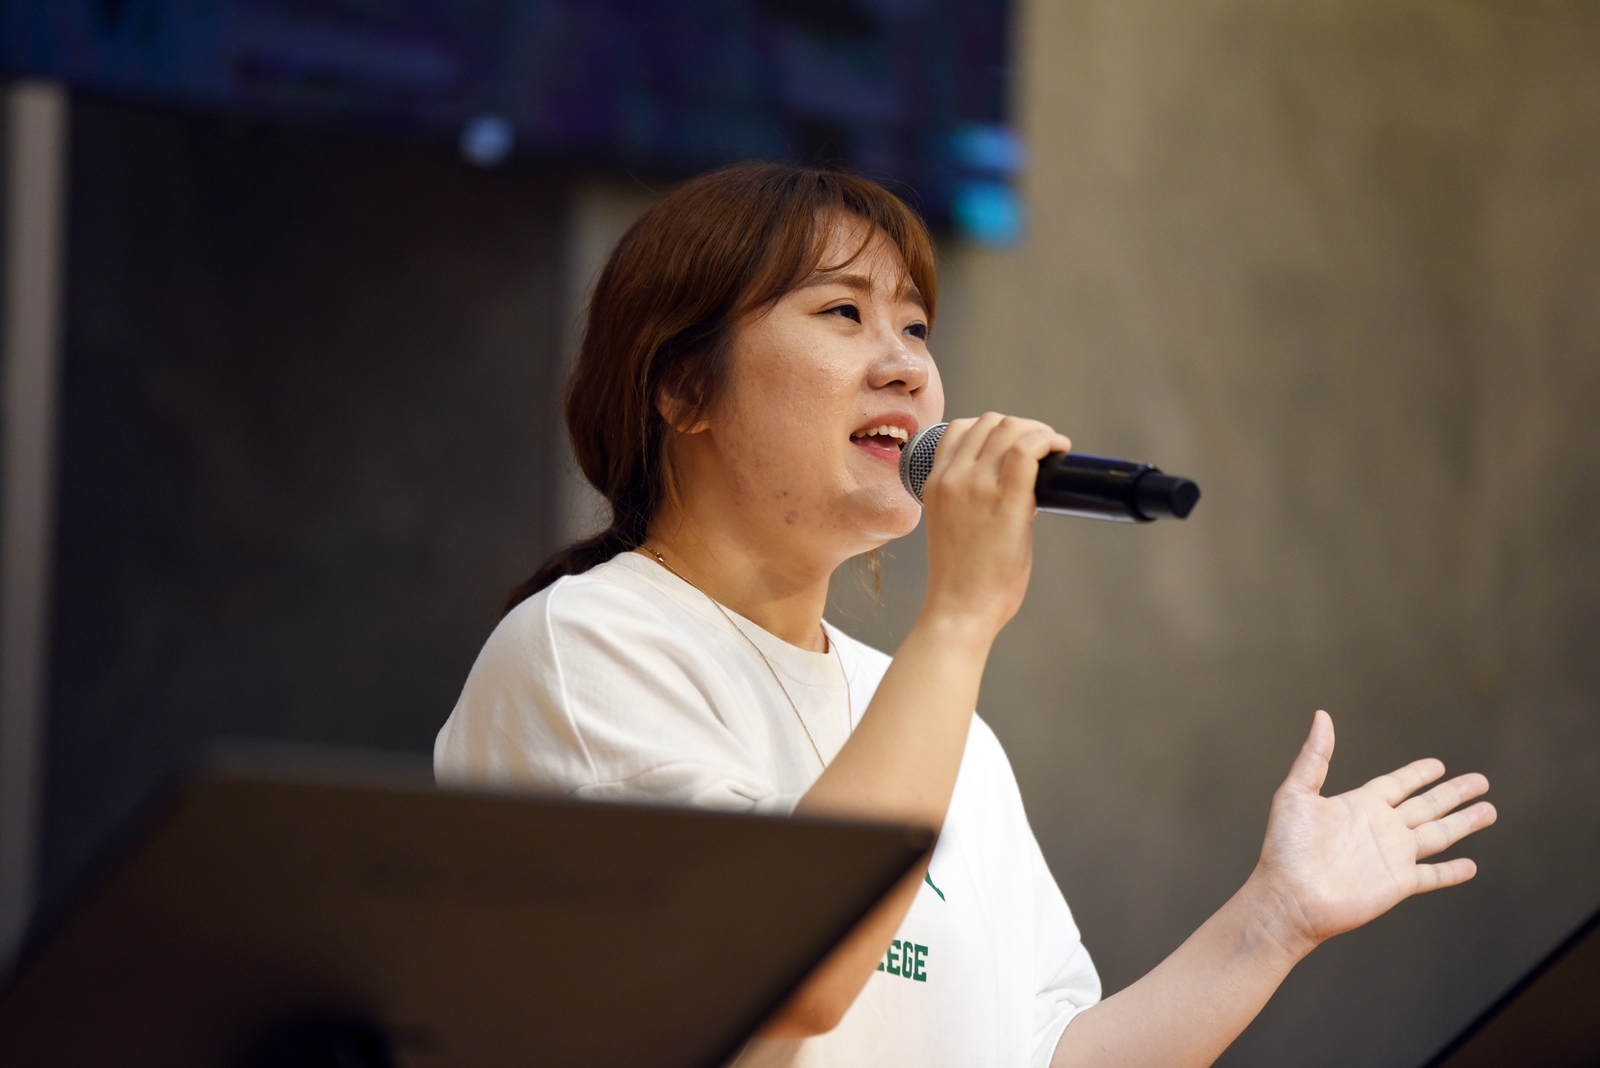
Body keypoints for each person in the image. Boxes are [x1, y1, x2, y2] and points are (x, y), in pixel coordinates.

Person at [433, 162, 1496, 1068]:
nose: (905, 365)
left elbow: (1048, 1056)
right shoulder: (590, 644)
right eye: (843, 313)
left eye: (915, 326)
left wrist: (1272, 921)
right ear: (682, 389)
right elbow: (781, 981)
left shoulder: (951, 738)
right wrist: (959, 619)